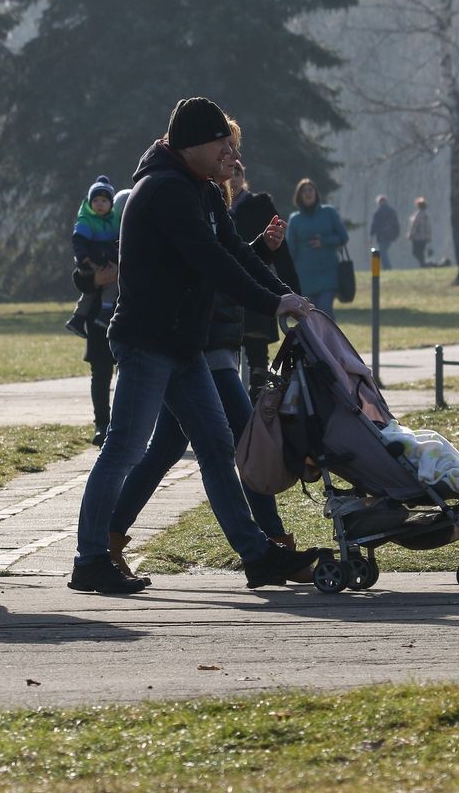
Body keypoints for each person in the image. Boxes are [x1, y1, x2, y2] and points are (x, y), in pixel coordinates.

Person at [69, 96, 319, 596]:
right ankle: (90, 559)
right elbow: (211, 261)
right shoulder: (163, 190)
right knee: (123, 447)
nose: (231, 151)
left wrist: (279, 294)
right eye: (221, 143)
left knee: (217, 445)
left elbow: (230, 250)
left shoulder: (201, 191)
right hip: (147, 340)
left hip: (183, 345)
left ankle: (258, 557)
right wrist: (273, 305)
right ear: (191, 146)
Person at [230, 159, 301, 390]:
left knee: (257, 360)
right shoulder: (214, 205)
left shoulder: (260, 205)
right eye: (230, 173)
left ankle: (257, 414)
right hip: (226, 292)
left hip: (256, 286)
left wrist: (292, 292)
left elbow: (280, 252)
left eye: (238, 173)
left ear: (244, 178)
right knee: (225, 362)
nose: (233, 178)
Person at [64, 175, 120, 445]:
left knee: (131, 377)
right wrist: (97, 277)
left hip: (130, 317)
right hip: (99, 319)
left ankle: (126, 427)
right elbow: (80, 277)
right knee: (101, 374)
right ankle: (103, 424)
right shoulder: (90, 227)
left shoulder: (121, 231)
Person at [286, 178, 348, 318]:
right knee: (310, 316)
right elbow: (291, 250)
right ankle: (314, 341)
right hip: (305, 277)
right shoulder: (295, 219)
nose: (308, 193)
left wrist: (325, 241)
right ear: (299, 196)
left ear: (316, 193)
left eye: (310, 189)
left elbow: (343, 237)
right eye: (304, 191)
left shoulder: (329, 213)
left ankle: (330, 340)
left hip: (328, 274)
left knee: (325, 310)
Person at [369, 195, 400, 270]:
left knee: (383, 252)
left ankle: (387, 267)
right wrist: (396, 235)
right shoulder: (391, 211)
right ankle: (386, 267)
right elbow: (396, 224)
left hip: (382, 236)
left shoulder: (378, 212)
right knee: (383, 251)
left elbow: (374, 225)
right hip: (389, 235)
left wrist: (371, 236)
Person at [408, 196, 432, 267]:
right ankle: (423, 264)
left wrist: (410, 235)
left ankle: (423, 264)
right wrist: (429, 236)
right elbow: (428, 227)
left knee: (416, 252)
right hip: (425, 237)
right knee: (421, 252)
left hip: (417, 238)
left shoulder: (418, 215)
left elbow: (414, 226)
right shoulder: (426, 215)